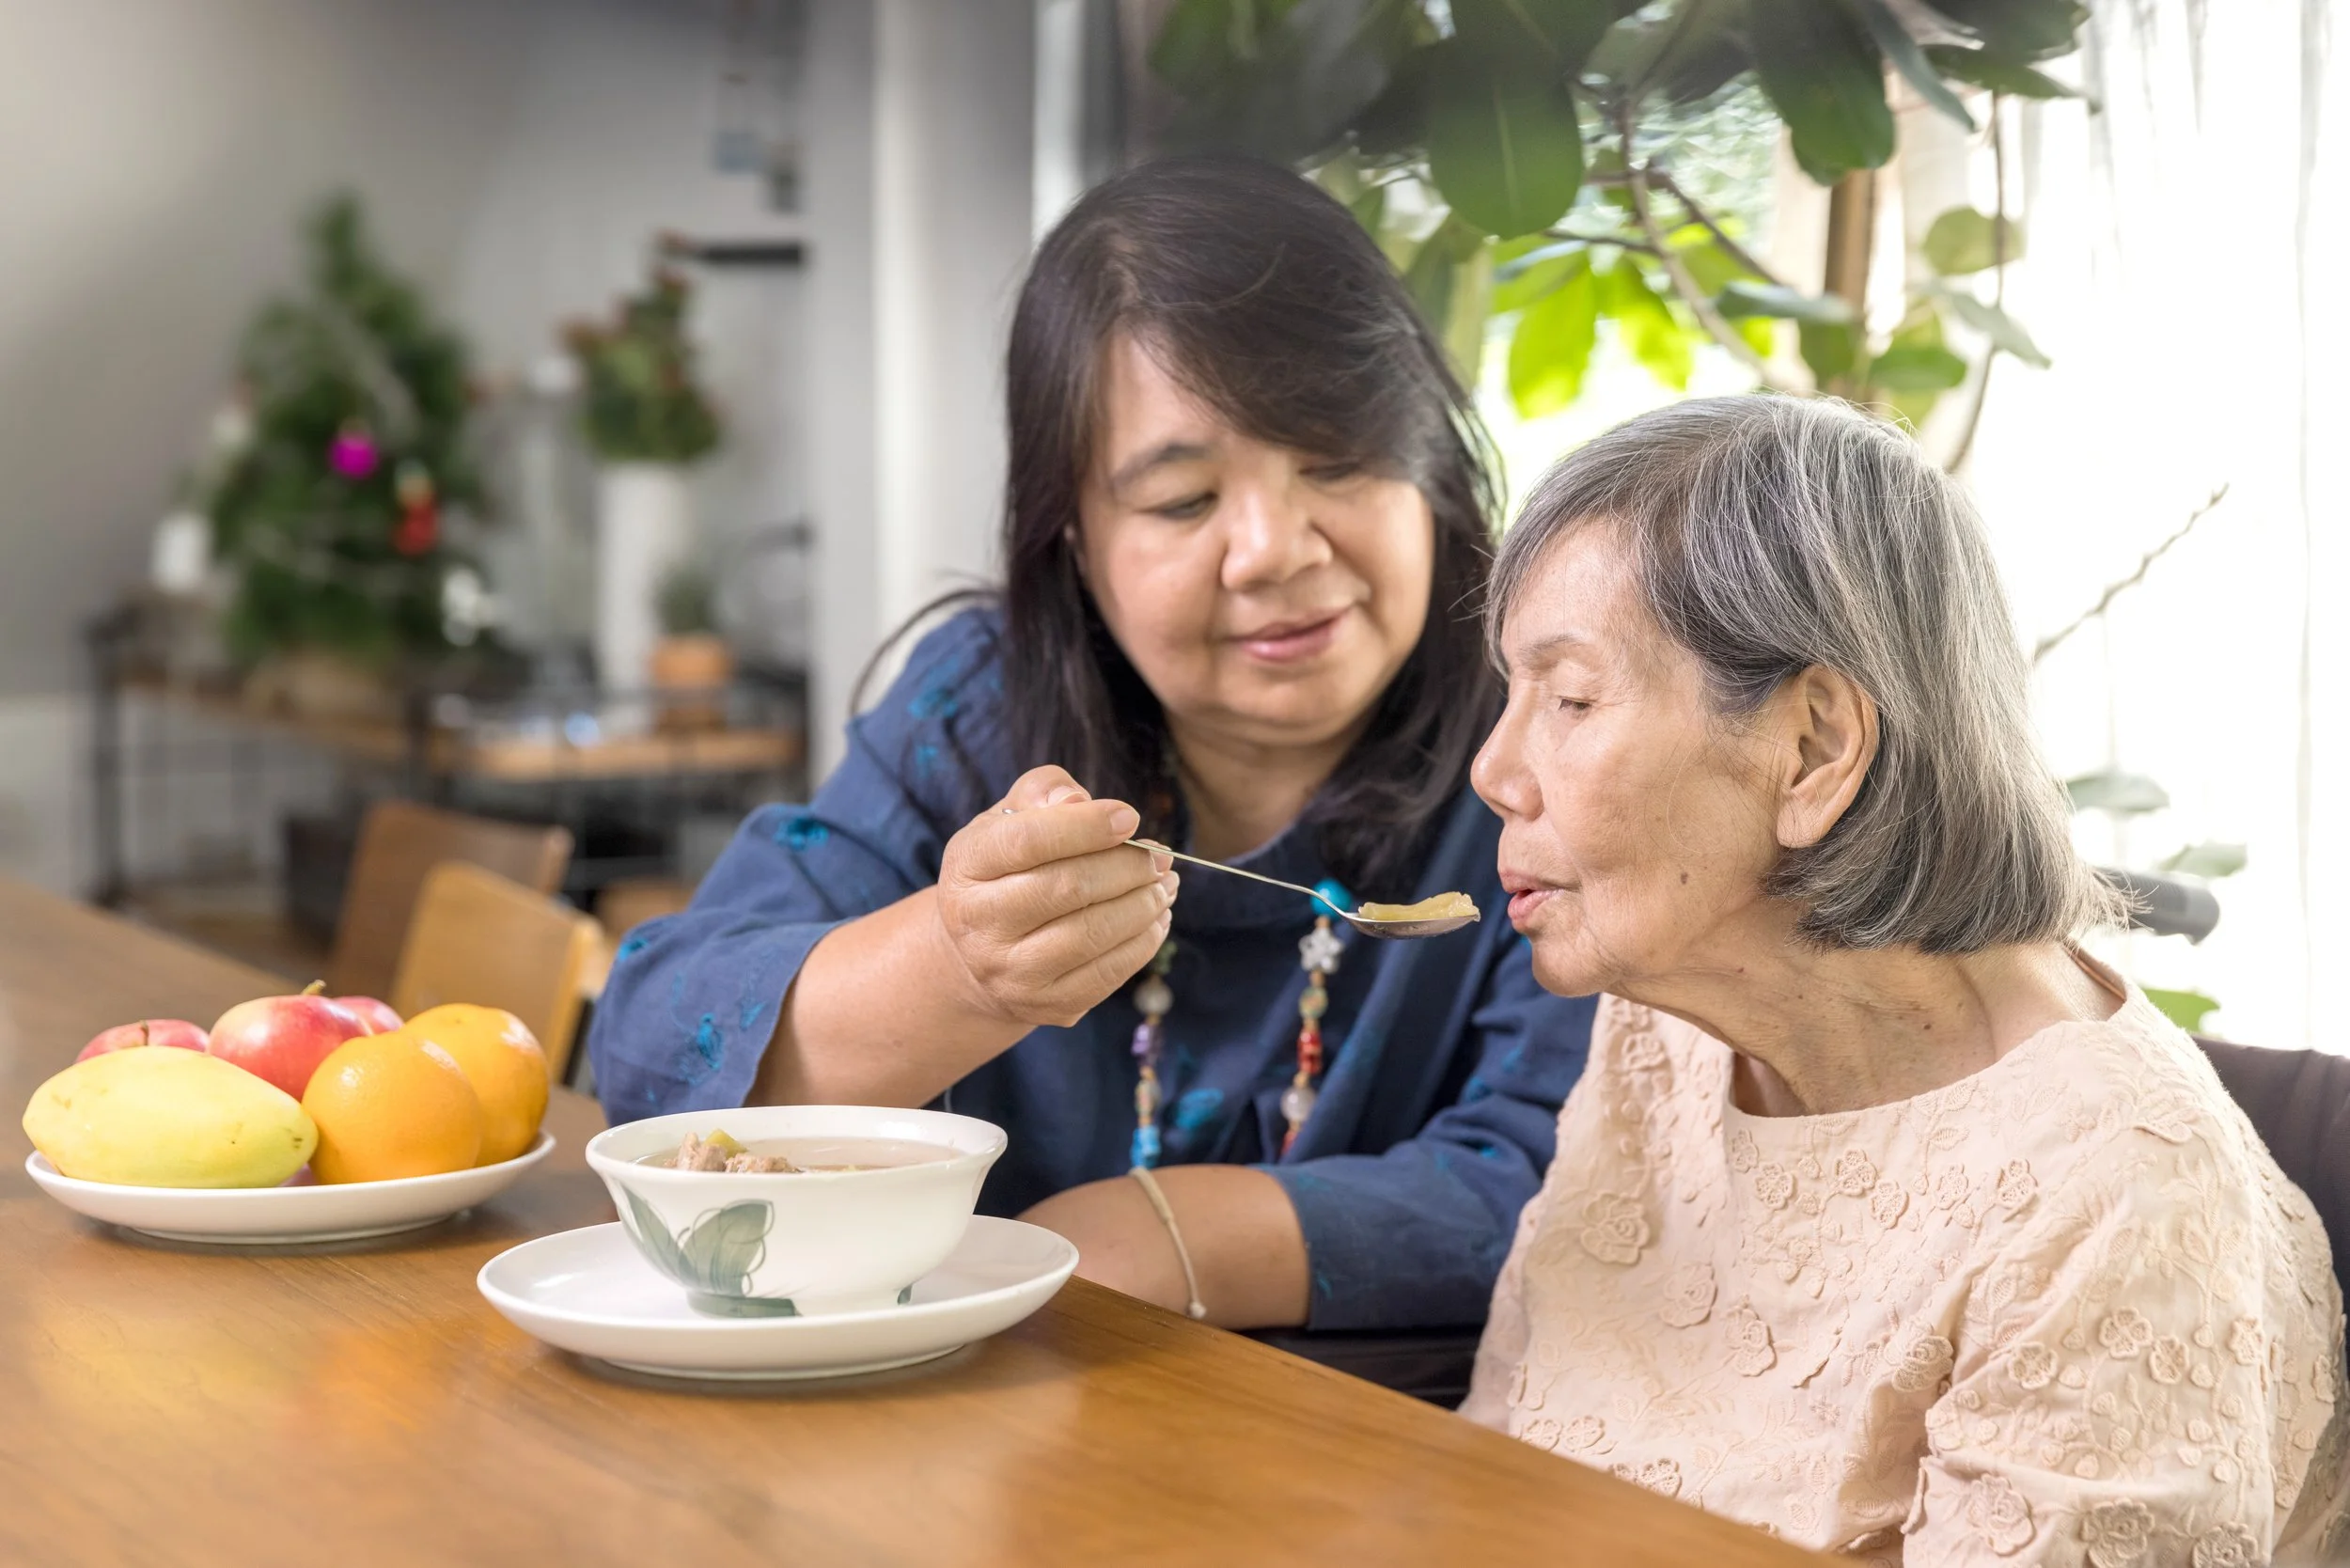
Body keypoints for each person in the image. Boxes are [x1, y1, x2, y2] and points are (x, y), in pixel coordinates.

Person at [587, 157, 1595, 1333]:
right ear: (1071, 537)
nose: (1272, 548)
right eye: (1181, 502)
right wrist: (957, 968)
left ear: (1429, 464)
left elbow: (1571, 1171)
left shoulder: (1551, 744)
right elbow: (657, 1055)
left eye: (1336, 459)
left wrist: (1158, 1237)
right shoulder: (979, 710)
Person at [1462, 395, 2347, 1563]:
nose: (1492, 770)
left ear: (1816, 749)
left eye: (1569, 700)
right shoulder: (1662, 1035)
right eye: (1512, 697)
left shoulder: (2117, 1193)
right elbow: (1493, 1467)